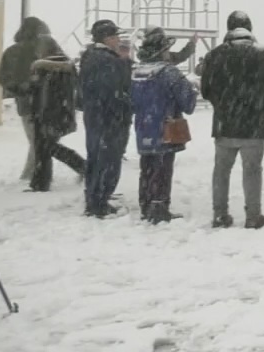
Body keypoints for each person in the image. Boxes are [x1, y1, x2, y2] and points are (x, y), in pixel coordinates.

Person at [200, 11, 264, 230]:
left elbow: (205, 89)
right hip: (254, 127)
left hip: (224, 124)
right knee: (252, 170)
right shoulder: (260, 53)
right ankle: (253, 216)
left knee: (221, 170)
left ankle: (220, 214)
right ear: (249, 28)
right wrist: (262, 113)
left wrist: (224, 105)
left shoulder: (215, 55)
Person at [131, 27, 197, 223]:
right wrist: (193, 89)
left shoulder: (136, 71)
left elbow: (131, 102)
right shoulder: (169, 72)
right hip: (166, 127)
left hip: (143, 127)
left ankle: (146, 204)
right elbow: (188, 103)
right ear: (162, 49)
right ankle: (159, 207)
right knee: (163, 169)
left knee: (147, 167)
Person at [78, 20, 133, 218]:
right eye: (115, 36)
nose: (118, 40)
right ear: (107, 38)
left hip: (95, 117)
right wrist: (125, 62)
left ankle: (94, 197)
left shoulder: (89, 56)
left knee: (95, 158)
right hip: (110, 119)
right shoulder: (108, 60)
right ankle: (99, 202)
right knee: (108, 160)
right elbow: (119, 89)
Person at [25, 36, 85, 192]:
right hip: (59, 112)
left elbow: (40, 92)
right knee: (45, 147)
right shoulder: (66, 66)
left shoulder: (44, 67)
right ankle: (41, 182)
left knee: (45, 147)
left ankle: (81, 166)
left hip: (46, 113)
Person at [0, 16, 53, 181]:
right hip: (45, 101)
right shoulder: (43, 50)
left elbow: (2, 77)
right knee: (42, 141)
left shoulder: (11, 51)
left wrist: (18, 89)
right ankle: (34, 173)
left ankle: (32, 173)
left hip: (25, 103)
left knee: (37, 139)